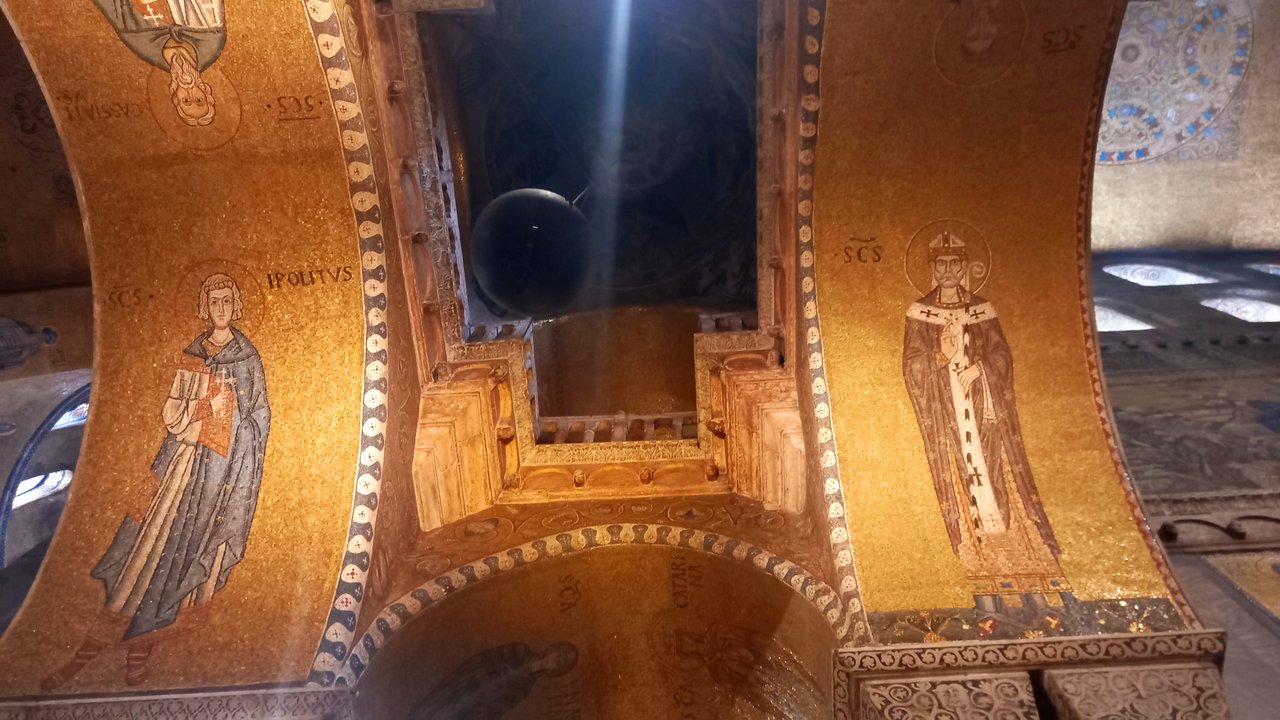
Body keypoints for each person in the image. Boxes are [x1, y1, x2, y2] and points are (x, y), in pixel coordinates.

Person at [42, 273, 269, 690]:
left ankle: (140, 653)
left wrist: (232, 419)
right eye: (213, 301)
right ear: (205, 307)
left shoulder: (248, 358)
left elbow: (259, 418)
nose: (220, 308)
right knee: (142, 551)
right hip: (178, 467)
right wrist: (200, 410)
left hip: (218, 477)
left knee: (181, 561)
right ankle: (86, 653)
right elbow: (172, 411)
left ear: (235, 305)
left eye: (226, 301)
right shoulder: (193, 354)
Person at [902, 231, 1062, 594]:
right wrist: (940, 356)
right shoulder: (919, 313)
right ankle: (972, 547)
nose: (947, 271)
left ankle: (1008, 541)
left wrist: (980, 369)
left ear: (963, 267)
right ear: (932, 268)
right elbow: (910, 365)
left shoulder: (981, 309)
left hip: (983, 405)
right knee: (959, 465)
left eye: (953, 264)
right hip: (945, 407)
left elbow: (1002, 354)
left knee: (992, 465)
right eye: (940, 264)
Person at [91, 0, 226, 125]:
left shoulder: (147, 50)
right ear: (205, 90)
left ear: (176, 97)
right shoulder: (212, 44)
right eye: (199, 100)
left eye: (185, 100)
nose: (190, 92)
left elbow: (120, 15)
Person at [408, 642, 578, 719]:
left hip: (474, 709)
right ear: (552, 649)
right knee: (435, 711)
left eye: (559, 663)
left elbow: (499, 707)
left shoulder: (525, 687)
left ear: (556, 670)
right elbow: (487, 658)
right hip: (466, 686)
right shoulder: (519, 650)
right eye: (557, 655)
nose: (554, 661)